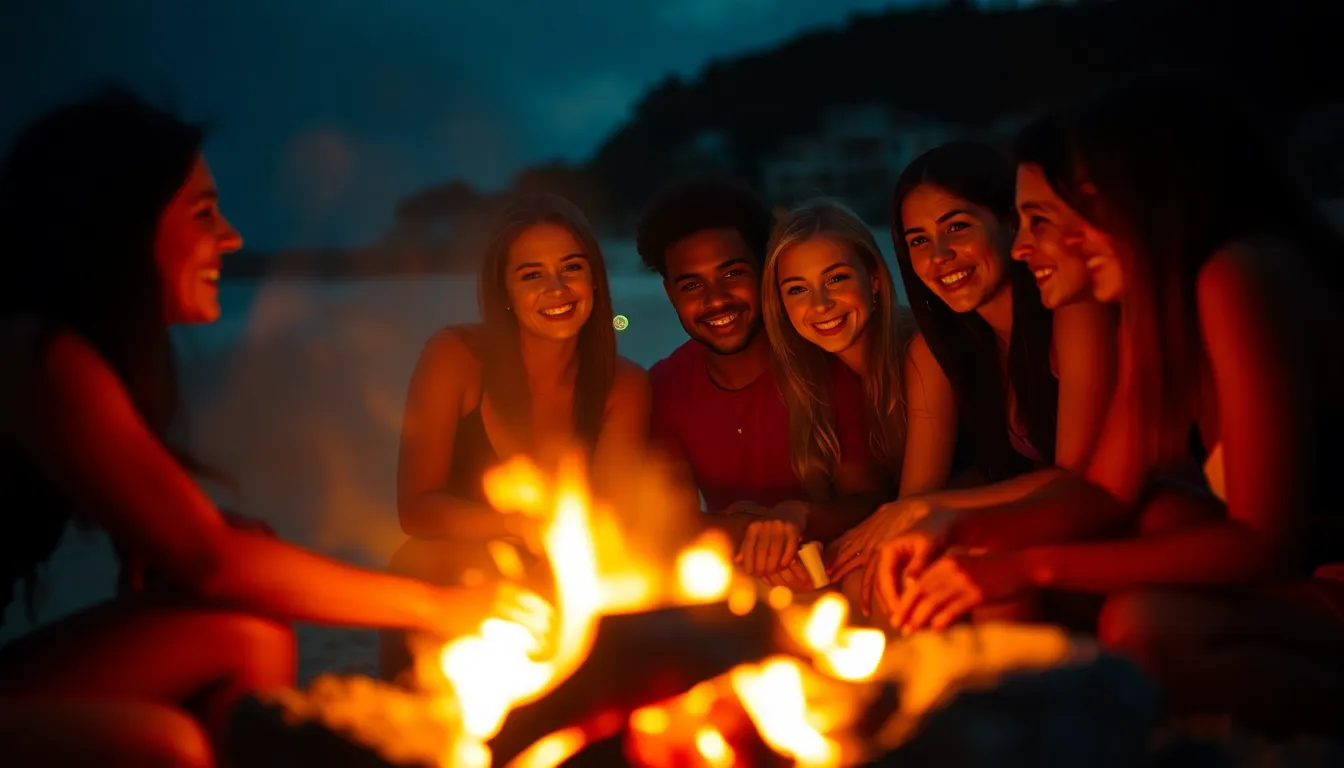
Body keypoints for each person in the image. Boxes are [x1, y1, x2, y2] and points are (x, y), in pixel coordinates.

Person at [0, 88, 544, 766]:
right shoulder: (33, 355)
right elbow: (212, 565)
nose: (231, 237)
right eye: (203, 213)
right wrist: (439, 606)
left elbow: (198, 551)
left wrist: (193, 533)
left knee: (253, 638)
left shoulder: (63, 355)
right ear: (117, 229)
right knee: (163, 744)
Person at [873, 76, 1344, 734]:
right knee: (1104, 532)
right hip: (1287, 583)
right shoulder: (1156, 303)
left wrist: (1026, 560)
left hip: (1324, 584)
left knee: (1141, 622)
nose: (1022, 246)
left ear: (1124, 200)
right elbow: (1104, 492)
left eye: (1041, 219)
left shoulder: (1240, 274)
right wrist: (957, 529)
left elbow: (1266, 541)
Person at [828, 141, 1116, 614]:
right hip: (1021, 524)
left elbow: (1078, 480)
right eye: (918, 240)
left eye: (956, 227)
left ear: (1010, 221)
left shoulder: (1072, 310)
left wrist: (928, 512)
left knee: (969, 592)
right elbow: (918, 497)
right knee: (870, 583)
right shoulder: (940, 348)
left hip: (1096, 528)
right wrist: (863, 547)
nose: (939, 255)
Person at [383, 192, 649, 678]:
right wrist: (523, 526)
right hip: (452, 574)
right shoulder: (456, 357)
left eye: (572, 268)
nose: (557, 288)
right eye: (532, 275)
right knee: (416, 561)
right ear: (503, 291)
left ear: (594, 278)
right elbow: (415, 508)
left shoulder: (624, 385)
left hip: (565, 576)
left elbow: (614, 520)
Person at [638, 175, 881, 589]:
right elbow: (675, 523)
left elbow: (869, 501)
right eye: (692, 285)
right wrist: (760, 532)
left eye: (731, 273)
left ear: (764, 269)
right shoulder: (665, 386)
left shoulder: (826, 359)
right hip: (734, 583)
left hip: (839, 574)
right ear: (669, 293)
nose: (716, 299)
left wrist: (794, 516)